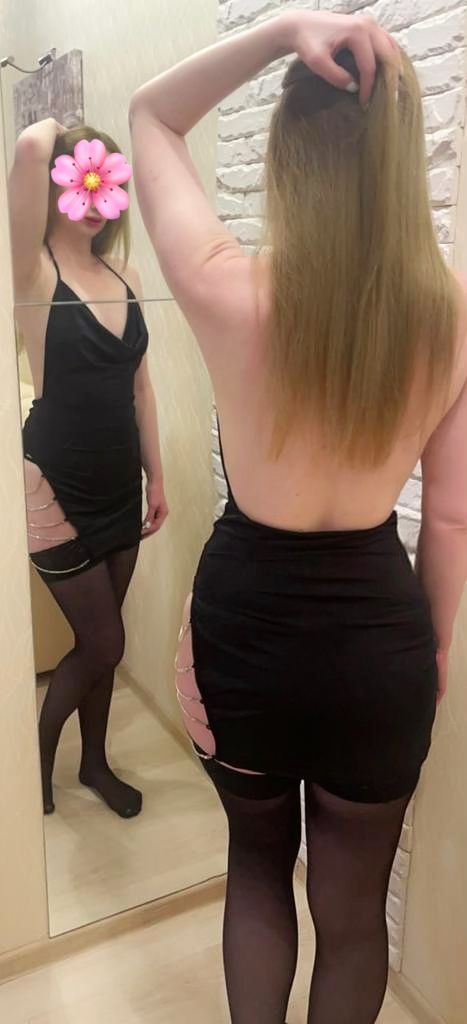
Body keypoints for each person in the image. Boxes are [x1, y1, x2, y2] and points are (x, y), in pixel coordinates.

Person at [129, 9, 467, 1023]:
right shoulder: (450, 315)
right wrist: (427, 655)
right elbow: (450, 521)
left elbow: (151, 116)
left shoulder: (227, 292)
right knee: (354, 916)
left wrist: (280, 33)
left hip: (247, 635)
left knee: (255, 868)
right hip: (379, 646)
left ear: (285, 158)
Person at [10, 120, 168, 817]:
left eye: (106, 178)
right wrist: (65, 135)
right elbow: (27, 148)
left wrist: (157, 476)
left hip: (118, 485)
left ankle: (95, 764)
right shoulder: (32, 269)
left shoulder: (126, 274)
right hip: (53, 486)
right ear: (60, 185)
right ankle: (32, 769)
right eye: (83, 176)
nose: (97, 191)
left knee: (99, 645)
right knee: (104, 644)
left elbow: (141, 387)